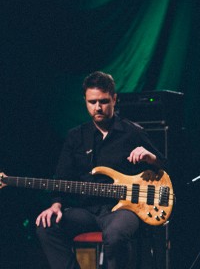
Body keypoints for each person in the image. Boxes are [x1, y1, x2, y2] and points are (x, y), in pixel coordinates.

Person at [36, 71, 167, 269]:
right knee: (46, 226)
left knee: (115, 234)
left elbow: (167, 167)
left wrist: (151, 157)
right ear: (85, 101)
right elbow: (62, 177)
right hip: (87, 211)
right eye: (92, 102)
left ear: (114, 99)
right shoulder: (76, 137)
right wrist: (56, 204)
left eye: (104, 101)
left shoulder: (133, 132)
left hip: (124, 209)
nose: (98, 107)